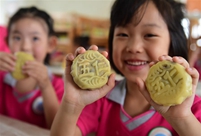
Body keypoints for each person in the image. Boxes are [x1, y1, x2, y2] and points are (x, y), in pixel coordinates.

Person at [51, 0, 201, 135]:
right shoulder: (99, 99)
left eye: (149, 35)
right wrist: (72, 104)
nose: (134, 47)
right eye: (122, 34)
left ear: (174, 42)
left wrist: (182, 119)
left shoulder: (190, 108)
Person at [0, 6, 64, 129]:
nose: (25, 47)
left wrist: (45, 85)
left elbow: (57, 128)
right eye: (17, 38)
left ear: (50, 44)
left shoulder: (58, 87)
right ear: (8, 42)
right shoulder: (1, 79)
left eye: (35, 38)